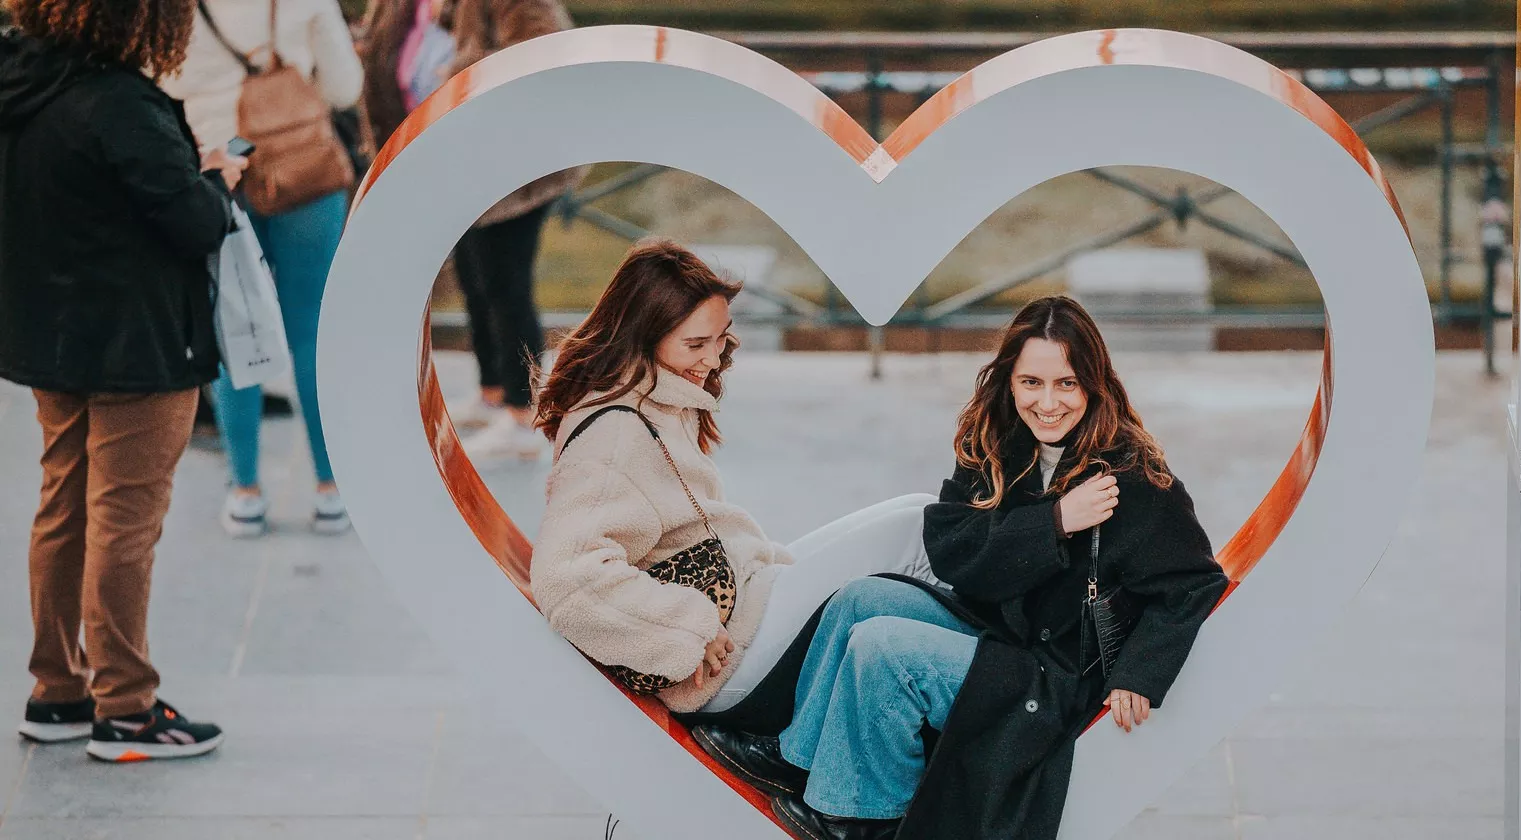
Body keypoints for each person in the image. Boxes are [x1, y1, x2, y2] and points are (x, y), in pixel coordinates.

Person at [689, 296, 1230, 840]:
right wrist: (1055, 522)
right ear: (1009, 380)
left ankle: (859, 818)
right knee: (861, 599)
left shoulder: (1128, 474)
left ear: (1094, 383)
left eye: (1066, 383)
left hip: (1051, 674)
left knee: (884, 651)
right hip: (993, 628)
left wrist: (1141, 673)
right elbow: (952, 549)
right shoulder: (994, 439)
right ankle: (797, 757)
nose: (1047, 403)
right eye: (1031, 383)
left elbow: (1194, 583)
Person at [529, 239, 943, 725]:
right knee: (917, 533)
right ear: (643, 335)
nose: (713, 357)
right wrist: (686, 627)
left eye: (721, 336)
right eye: (695, 344)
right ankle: (994, 675)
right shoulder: (616, 432)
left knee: (920, 511)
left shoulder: (661, 397)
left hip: (746, 598)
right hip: (726, 659)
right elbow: (567, 578)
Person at [0, 0, 242, 760]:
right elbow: (196, 223)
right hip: (139, 343)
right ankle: (129, 708)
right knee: (124, 522)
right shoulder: (120, 104)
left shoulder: (19, 84)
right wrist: (219, 178)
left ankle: (58, 689)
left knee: (62, 504)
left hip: (52, 335)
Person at [160, 0, 365, 538]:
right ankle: (329, 490)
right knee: (311, 330)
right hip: (301, 162)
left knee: (234, 326)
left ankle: (245, 491)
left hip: (217, 167)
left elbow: (164, 82)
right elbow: (344, 87)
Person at [359, 0, 585, 462]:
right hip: (459, 160)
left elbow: (541, 49)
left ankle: (525, 418)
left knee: (507, 283)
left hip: (517, 164)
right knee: (475, 279)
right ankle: (493, 393)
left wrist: (456, 76)